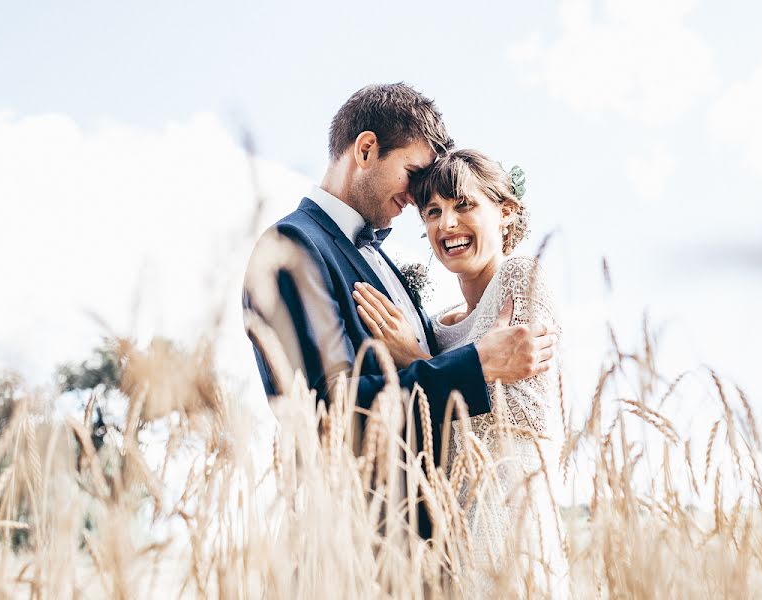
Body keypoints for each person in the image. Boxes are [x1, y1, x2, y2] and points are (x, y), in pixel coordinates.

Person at [242, 84, 556, 537]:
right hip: (364, 546)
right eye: (412, 172)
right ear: (367, 149)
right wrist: (477, 364)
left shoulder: (381, 260)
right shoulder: (291, 246)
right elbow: (325, 413)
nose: (415, 196)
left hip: (448, 544)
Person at [352, 149, 568, 595]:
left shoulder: (520, 275)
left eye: (463, 205)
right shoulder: (436, 326)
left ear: (506, 213)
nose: (446, 224)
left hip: (512, 524)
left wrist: (416, 362)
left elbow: (530, 412)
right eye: (433, 212)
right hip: (450, 536)